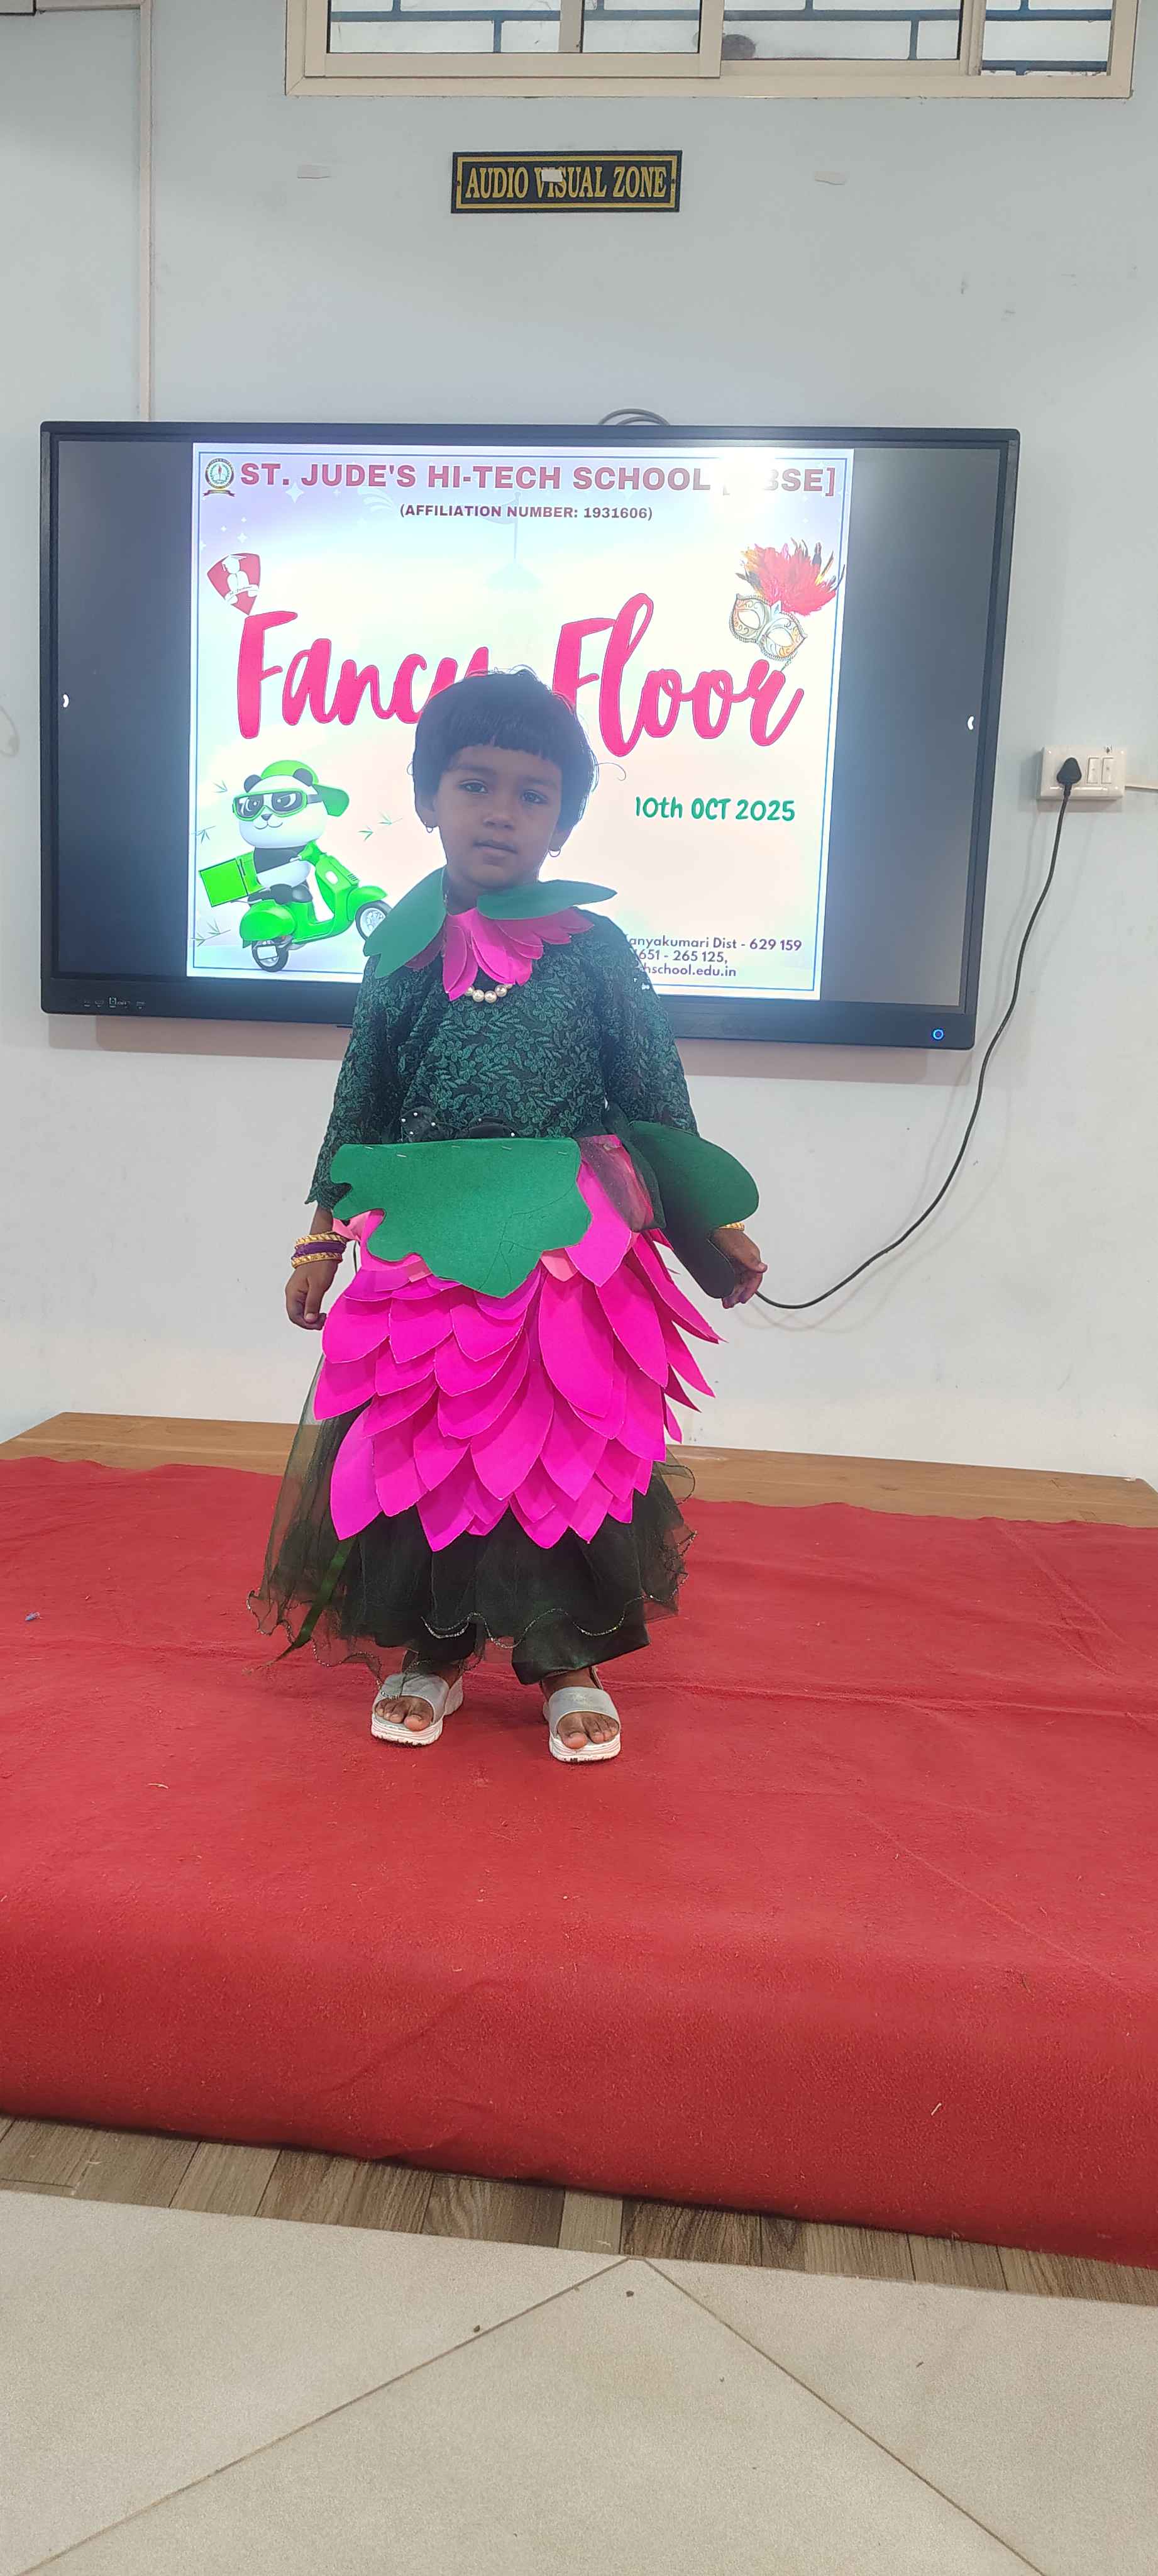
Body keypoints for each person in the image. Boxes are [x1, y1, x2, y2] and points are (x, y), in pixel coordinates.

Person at [251, 668, 765, 1764]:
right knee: (431, 1448)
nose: (501, 812)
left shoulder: (597, 949)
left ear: (564, 820)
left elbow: (653, 1097)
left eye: (532, 795)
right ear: (426, 798)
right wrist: (320, 1238)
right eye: (474, 785)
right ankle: (434, 1650)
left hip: (568, 1253)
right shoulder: (399, 954)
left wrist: (708, 1228)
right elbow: (361, 1106)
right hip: (427, 1244)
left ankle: (566, 1658)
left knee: (561, 1447)